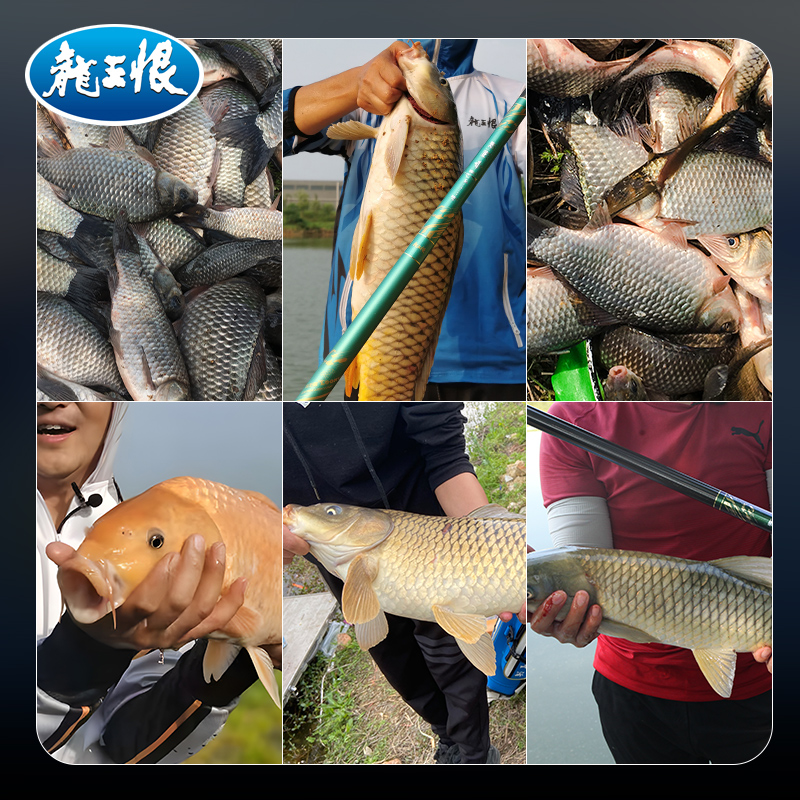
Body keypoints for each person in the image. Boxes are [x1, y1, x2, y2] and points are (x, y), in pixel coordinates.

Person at [530, 401, 772, 764]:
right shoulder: (571, 422)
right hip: (633, 692)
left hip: (763, 684)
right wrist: (565, 614)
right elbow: (583, 565)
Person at [283, 39, 526, 400]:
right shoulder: (366, 101)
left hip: (496, 360)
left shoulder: (514, 100)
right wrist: (355, 84)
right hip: (367, 341)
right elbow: (278, 127)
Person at [283, 401, 520, 763]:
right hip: (340, 552)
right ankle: (447, 737)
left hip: (433, 527)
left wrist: (490, 546)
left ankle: (474, 752)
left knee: (452, 659)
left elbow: (445, 450)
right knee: (396, 663)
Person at [36, 401, 260, 764]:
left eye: (84, 384)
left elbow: (127, 746)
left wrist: (234, 664)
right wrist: (84, 653)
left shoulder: (129, 517)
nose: (51, 399)